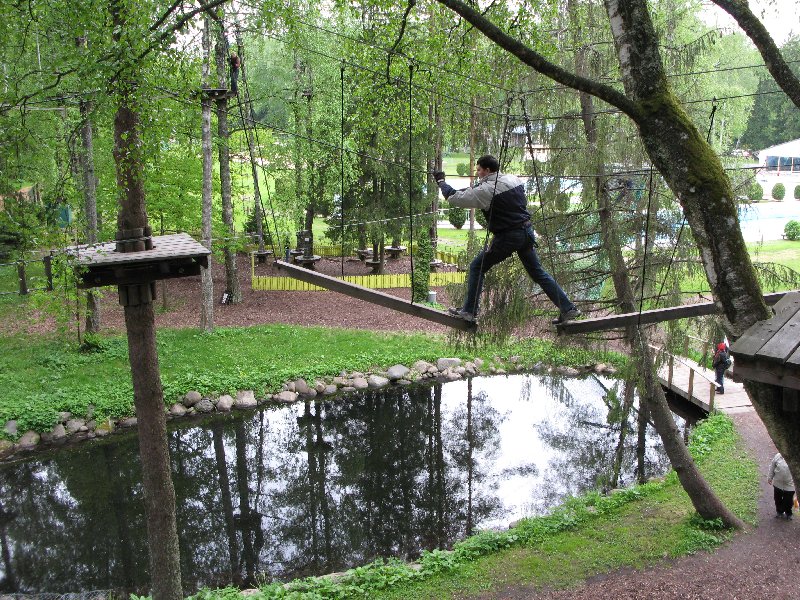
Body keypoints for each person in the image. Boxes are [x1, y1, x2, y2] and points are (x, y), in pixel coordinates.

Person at [434, 155, 580, 324]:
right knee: (538, 273)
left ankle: (469, 311)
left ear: (487, 170)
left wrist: (441, 182)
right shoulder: (513, 179)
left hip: (509, 236)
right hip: (527, 232)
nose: (477, 172)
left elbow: (455, 198)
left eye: (479, 169)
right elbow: (477, 192)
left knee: (477, 267)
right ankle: (568, 308)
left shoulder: (487, 190)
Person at [768, 452, 795, 520]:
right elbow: (772, 467)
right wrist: (770, 477)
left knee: (788, 500)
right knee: (777, 498)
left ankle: (788, 513)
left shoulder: (795, 456)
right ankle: (779, 512)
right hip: (778, 483)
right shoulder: (778, 456)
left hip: (790, 485)